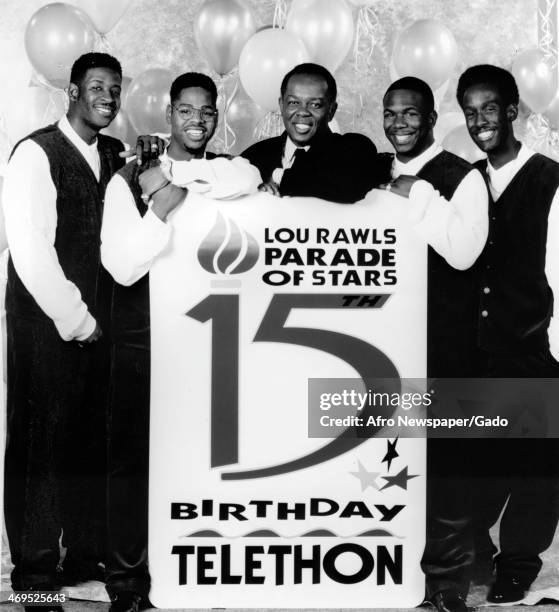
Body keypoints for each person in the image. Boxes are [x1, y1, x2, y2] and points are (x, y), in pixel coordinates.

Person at [100, 71, 260, 612]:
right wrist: (162, 209)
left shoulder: (228, 169)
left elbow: (248, 178)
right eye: (186, 111)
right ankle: (125, 584)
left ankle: (193, 574)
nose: (197, 121)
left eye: (206, 112)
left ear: (217, 118)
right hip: (141, 338)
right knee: (131, 463)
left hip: (205, 341)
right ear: (168, 114)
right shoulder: (126, 179)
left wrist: (175, 190)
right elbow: (120, 267)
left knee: (199, 459)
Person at [2, 52, 125, 608]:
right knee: (40, 447)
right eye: (96, 86)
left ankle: (81, 564)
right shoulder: (35, 152)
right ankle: (33, 578)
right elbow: (30, 253)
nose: (107, 95)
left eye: (114, 88)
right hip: (46, 324)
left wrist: (97, 326)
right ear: (72, 92)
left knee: (86, 444)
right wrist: (77, 320)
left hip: (99, 327)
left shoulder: (115, 156)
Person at [381, 76, 489, 612]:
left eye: (410, 114)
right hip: (385, 339)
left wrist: (419, 194)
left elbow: (465, 253)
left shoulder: (461, 176)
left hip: (444, 341)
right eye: (391, 113)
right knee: (389, 461)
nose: (399, 123)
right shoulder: (376, 171)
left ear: (430, 117)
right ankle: (386, 576)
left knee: (446, 466)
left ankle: (447, 587)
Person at [457, 64, 559, 605]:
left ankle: (518, 566)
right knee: (478, 462)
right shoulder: (468, 178)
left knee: (536, 470)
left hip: (533, 348)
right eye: (470, 112)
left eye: (490, 109)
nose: (480, 121)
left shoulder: (549, 179)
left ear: (513, 111)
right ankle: (478, 553)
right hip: (480, 350)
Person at [242, 62, 388, 202]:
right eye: (294, 102)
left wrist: (278, 176)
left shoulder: (354, 149)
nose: (303, 112)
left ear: (331, 110)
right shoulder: (255, 155)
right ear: (281, 105)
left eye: (315, 105)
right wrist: (256, 193)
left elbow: (348, 185)